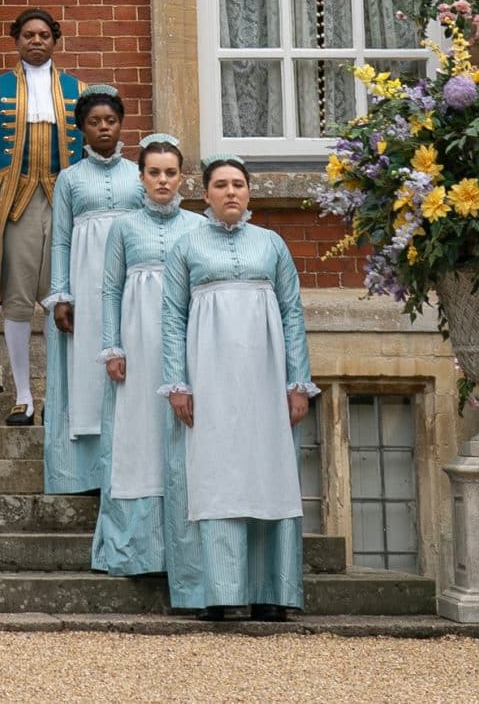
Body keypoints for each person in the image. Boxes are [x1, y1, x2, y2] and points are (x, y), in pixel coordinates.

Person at [160, 154, 318, 621]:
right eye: (222, 185)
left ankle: (274, 591)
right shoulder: (186, 248)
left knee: (269, 474)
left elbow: (292, 313)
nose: (231, 192)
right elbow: (171, 317)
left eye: (239, 185)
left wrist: (298, 383)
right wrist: (177, 383)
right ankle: (221, 592)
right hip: (208, 378)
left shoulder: (272, 245)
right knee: (217, 475)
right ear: (205, 194)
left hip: (266, 380)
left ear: (249, 192)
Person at [91, 133, 201, 581]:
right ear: (140, 177)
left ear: (182, 178)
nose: (162, 180)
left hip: (184, 344)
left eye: (170, 173)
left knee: (180, 436)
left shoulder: (197, 227)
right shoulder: (124, 227)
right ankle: (134, 550)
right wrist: (112, 346)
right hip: (136, 345)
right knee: (135, 437)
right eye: (154, 172)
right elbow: (110, 288)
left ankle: (183, 549)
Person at [0, 7, 83, 425]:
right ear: (15, 41)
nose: (36, 41)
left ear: (55, 41)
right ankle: (23, 395)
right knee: (16, 303)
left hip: (61, 207)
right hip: (11, 207)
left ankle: (58, 395)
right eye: (28, 35)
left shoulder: (76, 90)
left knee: (61, 301)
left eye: (44, 35)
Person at [43, 85, 141, 494]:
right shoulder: (69, 178)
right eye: (94, 122)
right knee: (84, 368)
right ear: (82, 129)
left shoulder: (139, 174)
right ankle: (82, 472)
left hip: (130, 283)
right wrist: (62, 295)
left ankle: (130, 459)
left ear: (121, 125)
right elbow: (61, 237)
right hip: (84, 282)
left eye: (111, 121)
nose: (104, 128)